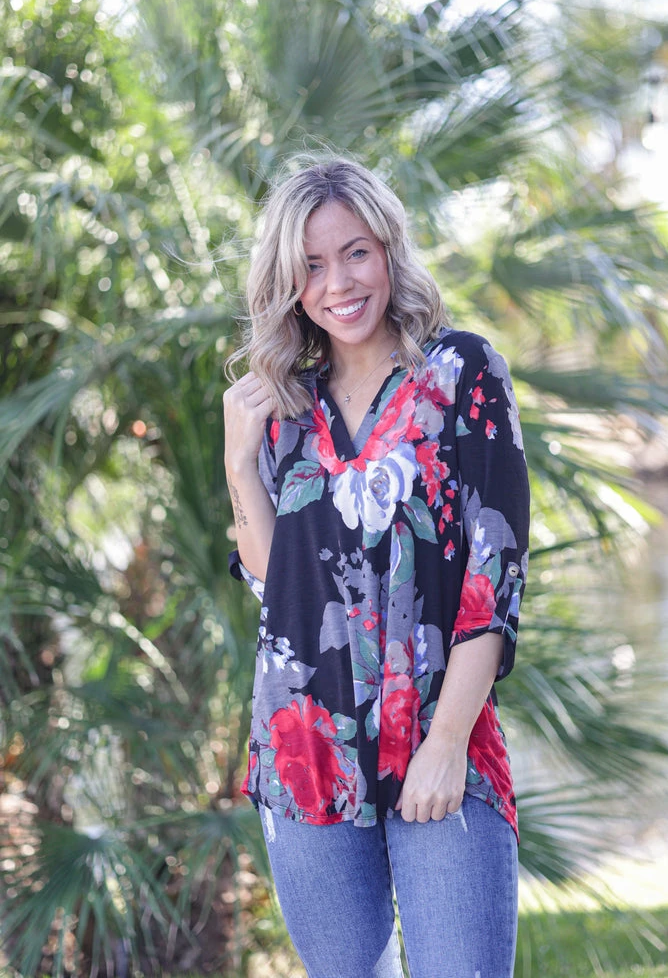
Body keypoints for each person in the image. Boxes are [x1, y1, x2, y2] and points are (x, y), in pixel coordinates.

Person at [223, 158, 530, 978]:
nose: (338, 283)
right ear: (288, 282)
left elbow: (493, 580)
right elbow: (278, 594)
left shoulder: (461, 373)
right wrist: (238, 463)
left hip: (439, 740)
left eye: (355, 252)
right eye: (312, 265)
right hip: (304, 753)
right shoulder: (283, 406)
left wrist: (447, 743)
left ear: (389, 248)